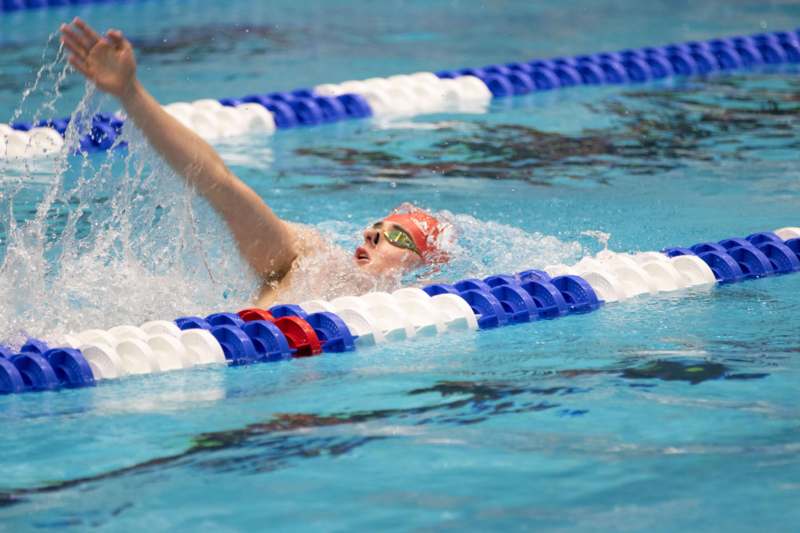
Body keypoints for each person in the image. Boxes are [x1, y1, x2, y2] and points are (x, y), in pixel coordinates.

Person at [59, 18, 450, 306]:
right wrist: (131, 94)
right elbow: (219, 185)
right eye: (375, 227)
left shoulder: (418, 305)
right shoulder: (310, 259)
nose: (370, 235)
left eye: (397, 236)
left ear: (423, 265)